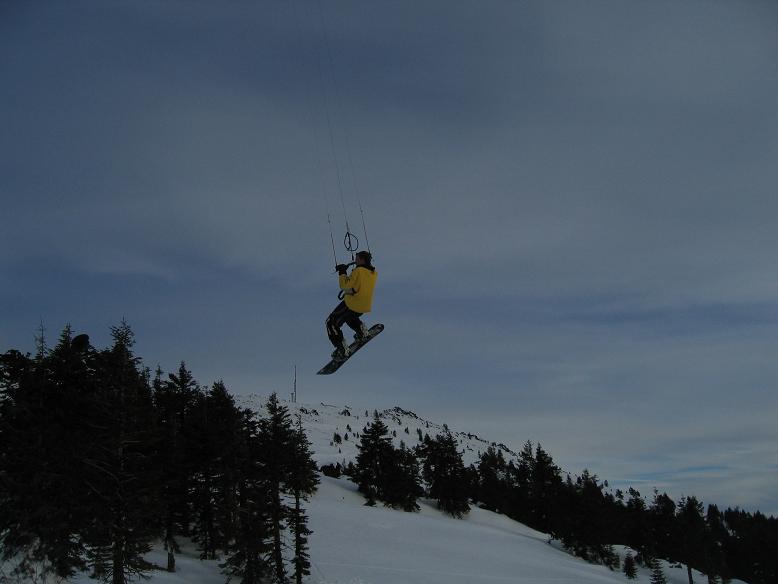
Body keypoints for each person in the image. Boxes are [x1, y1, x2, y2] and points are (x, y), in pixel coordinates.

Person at [326, 250, 378, 359]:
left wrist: (342, 273)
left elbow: (345, 286)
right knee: (350, 317)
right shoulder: (373, 273)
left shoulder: (358, 271)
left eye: (357, 258)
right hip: (363, 306)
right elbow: (359, 285)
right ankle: (361, 331)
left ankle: (342, 349)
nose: (355, 260)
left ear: (362, 259)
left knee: (331, 323)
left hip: (352, 303)